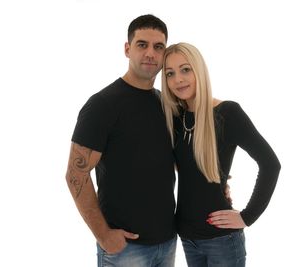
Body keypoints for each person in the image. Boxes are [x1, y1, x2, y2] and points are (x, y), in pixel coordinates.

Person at [65, 14, 177, 267]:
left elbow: (176, 162)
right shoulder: (103, 105)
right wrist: (103, 234)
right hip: (126, 250)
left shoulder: (166, 104)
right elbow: (75, 174)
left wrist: (216, 182)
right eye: (142, 44)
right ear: (127, 49)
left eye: (158, 47)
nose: (150, 53)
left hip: (168, 242)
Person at [161, 42, 281, 267]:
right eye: (170, 73)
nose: (178, 79)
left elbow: (270, 164)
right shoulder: (174, 119)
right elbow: (185, 166)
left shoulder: (228, 113)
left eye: (185, 69)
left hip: (222, 240)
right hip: (187, 236)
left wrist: (247, 216)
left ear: (199, 70)